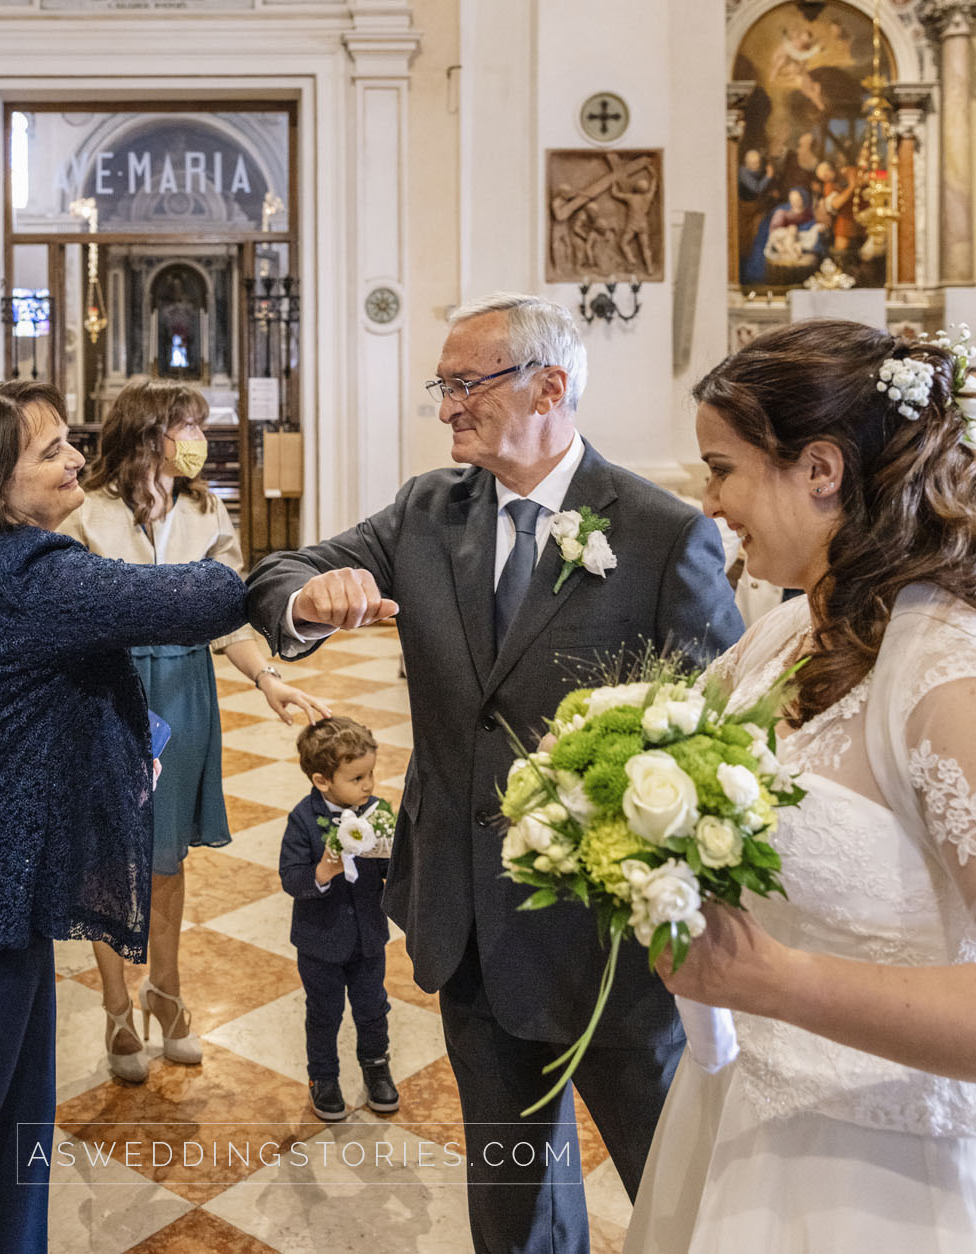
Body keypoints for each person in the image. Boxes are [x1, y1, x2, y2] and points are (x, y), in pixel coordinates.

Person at [624, 318, 976, 1252]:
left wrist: (777, 981)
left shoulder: (959, 680)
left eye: (725, 468)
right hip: (748, 1124)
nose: (710, 503)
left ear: (820, 469)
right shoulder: (786, 637)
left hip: (893, 1187)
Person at [246, 292, 742, 1250]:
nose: (445, 408)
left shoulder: (658, 534)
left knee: (680, 1197)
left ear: (549, 385)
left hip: (610, 948)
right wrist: (312, 596)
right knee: (512, 1208)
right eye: (444, 386)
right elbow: (277, 576)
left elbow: (716, 743)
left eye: (464, 385)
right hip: (466, 920)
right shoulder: (429, 512)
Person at [0, 381, 248, 1254]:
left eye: (72, 442)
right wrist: (250, 563)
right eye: (50, 449)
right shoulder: (27, 572)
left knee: (12, 1150)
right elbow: (201, 600)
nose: (75, 459)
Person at [63, 375, 331, 1082]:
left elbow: (228, 617)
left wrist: (268, 679)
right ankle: (118, 1006)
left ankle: (167, 992)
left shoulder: (208, 511)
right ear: (148, 434)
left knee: (166, 858)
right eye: (186, 428)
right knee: (106, 858)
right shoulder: (85, 515)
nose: (197, 443)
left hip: (182, 691)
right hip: (109, 688)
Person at [279, 716, 396, 1122]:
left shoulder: (378, 811)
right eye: (358, 777)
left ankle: (376, 1065)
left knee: (373, 1007)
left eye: (371, 774)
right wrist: (322, 871)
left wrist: (392, 859)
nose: (368, 786)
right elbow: (291, 878)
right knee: (324, 1013)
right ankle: (323, 1078)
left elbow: (393, 870)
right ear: (322, 780)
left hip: (367, 939)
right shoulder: (303, 819)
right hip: (320, 941)